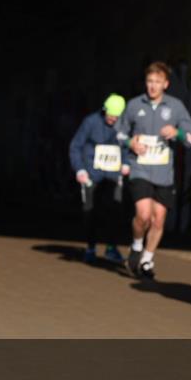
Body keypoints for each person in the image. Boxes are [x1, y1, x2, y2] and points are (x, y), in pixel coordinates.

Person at [115, 62, 191, 280]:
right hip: (139, 168)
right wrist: (130, 142)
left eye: (157, 82)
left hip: (164, 173)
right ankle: (136, 246)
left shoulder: (176, 107)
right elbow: (118, 133)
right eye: (150, 81)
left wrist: (177, 133)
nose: (153, 86)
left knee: (158, 219)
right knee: (143, 215)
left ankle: (147, 260)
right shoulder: (134, 105)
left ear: (166, 84)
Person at [68, 94, 129, 264]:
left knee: (115, 211)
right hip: (91, 175)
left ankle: (111, 248)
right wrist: (79, 169)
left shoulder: (124, 126)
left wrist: (126, 163)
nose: (113, 119)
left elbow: (127, 147)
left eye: (116, 117)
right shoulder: (90, 122)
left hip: (113, 176)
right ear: (104, 110)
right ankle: (90, 248)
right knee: (90, 211)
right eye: (110, 115)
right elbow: (75, 146)